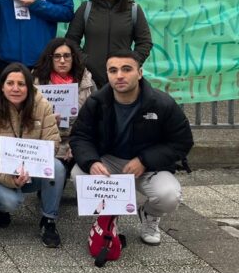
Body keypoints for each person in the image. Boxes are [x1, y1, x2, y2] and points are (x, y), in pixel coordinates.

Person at [69, 51, 193, 245]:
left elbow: (182, 141)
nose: (119, 75)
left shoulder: (162, 103)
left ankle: (149, 214)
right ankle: (109, 219)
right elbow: (80, 136)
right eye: (113, 70)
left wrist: (145, 160)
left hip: (149, 165)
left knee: (169, 196)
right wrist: (92, 162)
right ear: (107, 74)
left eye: (126, 69)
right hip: (109, 160)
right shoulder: (96, 102)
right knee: (79, 174)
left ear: (140, 73)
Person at [0, 63, 64, 247]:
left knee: (57, 167)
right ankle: (2, 210)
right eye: (10, 83)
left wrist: (33, 165)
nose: (15, 88)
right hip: (1, 172)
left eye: (21, 84)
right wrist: (10, 180)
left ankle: (49, 220)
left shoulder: (43, 106)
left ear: (29, 87)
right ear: (2, 86)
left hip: (33, 171)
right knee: (11, 201)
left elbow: (52, 142)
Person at [65, 0, 153, 88]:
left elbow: (145, 43)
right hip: (90, 79)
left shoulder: (134, 10)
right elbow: (71, 40)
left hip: (122, 79)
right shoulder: (86, 8)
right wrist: (85, 61)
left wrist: (129, 64)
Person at [32, 37, 96, 174]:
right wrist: (47, 122)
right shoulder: (35, 82)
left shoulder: (87, 80)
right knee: (56, 174)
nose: (62, 60)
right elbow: (28, 120)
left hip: (79, 139)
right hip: (46, 139)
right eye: (57, 56)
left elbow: (96, 118)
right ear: (50, 58)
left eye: (66, 56)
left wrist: (78, 146)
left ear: (73, 58)